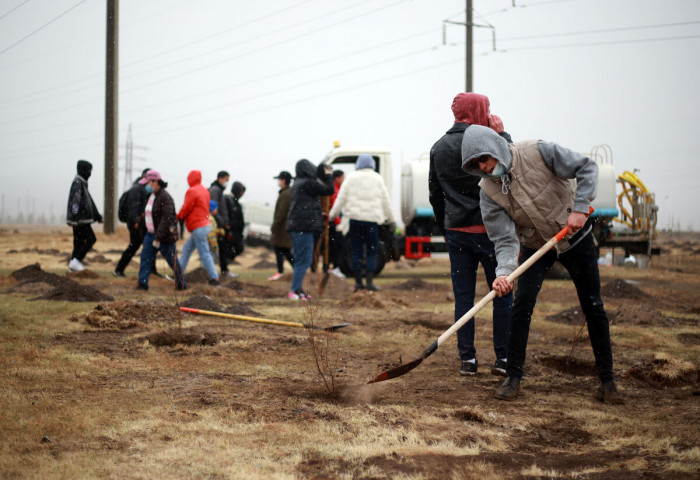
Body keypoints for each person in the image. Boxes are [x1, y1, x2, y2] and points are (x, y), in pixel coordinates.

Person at [461, 124, 623, 404]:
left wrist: (581, 208)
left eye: (484, 160)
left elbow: (587, 168)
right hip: (537, 246)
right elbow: (504, 239)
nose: (484, 168)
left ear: (494, 148)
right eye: (476, 166)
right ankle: (513, 376)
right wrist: (503, 273)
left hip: (576, 237)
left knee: (593, 306)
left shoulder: (538, 151)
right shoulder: (488, 191)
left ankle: (607, 381)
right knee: (521, 306)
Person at [428, 92, 514, 377]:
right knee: (502, 292)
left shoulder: (438, 147)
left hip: (456, 231)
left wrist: (446, 226)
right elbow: (513, 169)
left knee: (463, 298)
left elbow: (435, 194)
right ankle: (503, 359)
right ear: (479, 110)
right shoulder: (488, 142)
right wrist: (502, 133)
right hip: (490, 231)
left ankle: (468, 360)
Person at [329, 154, 394, 292]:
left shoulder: (351, 178)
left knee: (356, 251)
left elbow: (341, 198)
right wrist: (392, 219)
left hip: (355, 221)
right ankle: (369, 282)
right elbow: (386, 201)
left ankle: (358, 282)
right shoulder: (378, 179)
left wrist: (332, 215)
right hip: (372, 222)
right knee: (372, 252)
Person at [286, 159, 334, 300]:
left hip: (297, 226)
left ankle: (298, 290)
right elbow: (328, 190)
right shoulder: (307, 183)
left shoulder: (298, 183)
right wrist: (329, 175)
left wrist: (319, 215)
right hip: (302, 227)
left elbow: (304, 206)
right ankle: (294, 291)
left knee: (301, 259)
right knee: (304, 260)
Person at [137, 170, 186, 291]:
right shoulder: (151, 196)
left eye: (148, 183)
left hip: (164, 237)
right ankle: (142, 284)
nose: (146, 186)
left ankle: (181, 284)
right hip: (150, 234)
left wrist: (158, 236)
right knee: (145, 258)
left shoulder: (165, 197)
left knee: (172, 261)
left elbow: (167, 218)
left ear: (156, 181)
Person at [177, 170, 220, 286]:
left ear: (190, 179)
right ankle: (178, 275)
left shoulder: (192, 191)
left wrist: (179, 216)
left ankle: (214, 278)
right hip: (204, 225)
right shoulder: (205, 190)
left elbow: (187, 207)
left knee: (204, 253)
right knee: (186, 250)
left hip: (198, 226)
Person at [114, 168, 159, 278]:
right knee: (137, 245)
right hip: (135, 223)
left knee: (146, 245)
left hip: (140, 223)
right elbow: (134, 207)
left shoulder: (143, 190)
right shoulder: (137, 190)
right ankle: (119, 270)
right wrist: (136, 221)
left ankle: (150, 270)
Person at [66, 159, 102, 272]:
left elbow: (89, 203)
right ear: (84, 170)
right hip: (80, 220)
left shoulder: (82, 183)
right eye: (89, 171)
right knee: (91, 239)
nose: (90, 173)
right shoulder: (78, 183)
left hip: (80, 220)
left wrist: (97, 216)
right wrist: (75, 218)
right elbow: (75, 202)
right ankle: (76, 262)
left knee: (79, 243)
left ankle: (73, 268)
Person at [210, 170, 237, 278]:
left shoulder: (219, 190)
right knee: (213, 250)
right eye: (226, 180)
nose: (227, 182)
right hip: (216, 226)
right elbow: (214, 209)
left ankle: (222, 271)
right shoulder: (215, 190)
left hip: (220, 224)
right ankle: (210, 273)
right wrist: (222, 222)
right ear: (220, 178)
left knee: (221, 249)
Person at [269, 171, 294, 281]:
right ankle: (294, 269)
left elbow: (281, 213)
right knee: (285, 251)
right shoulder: (287, 192)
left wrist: (275, 226)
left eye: (279, 179)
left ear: (283, 180)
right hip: (285, 228)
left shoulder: (285, 194)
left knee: (280, 249)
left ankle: (280, 271)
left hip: (282, 228)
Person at [327, 170, 346, 279]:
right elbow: (335, 208)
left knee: (334, 247)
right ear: (337, 178)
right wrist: (339, 223)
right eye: (342, 178)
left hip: (333, 223)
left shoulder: (335, 188)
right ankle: (335, 268)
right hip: (335, 224)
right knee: (337, 247)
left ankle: (333, 267)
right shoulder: (335, 190)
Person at [226, 181, 246, 265]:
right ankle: (225, 264)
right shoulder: (228, 200)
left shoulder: (237, 203)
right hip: (231, 231)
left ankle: (226, 262)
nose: (242, 194)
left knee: (239, 248)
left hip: (237, 232)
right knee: (230, 248)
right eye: (241, 191)